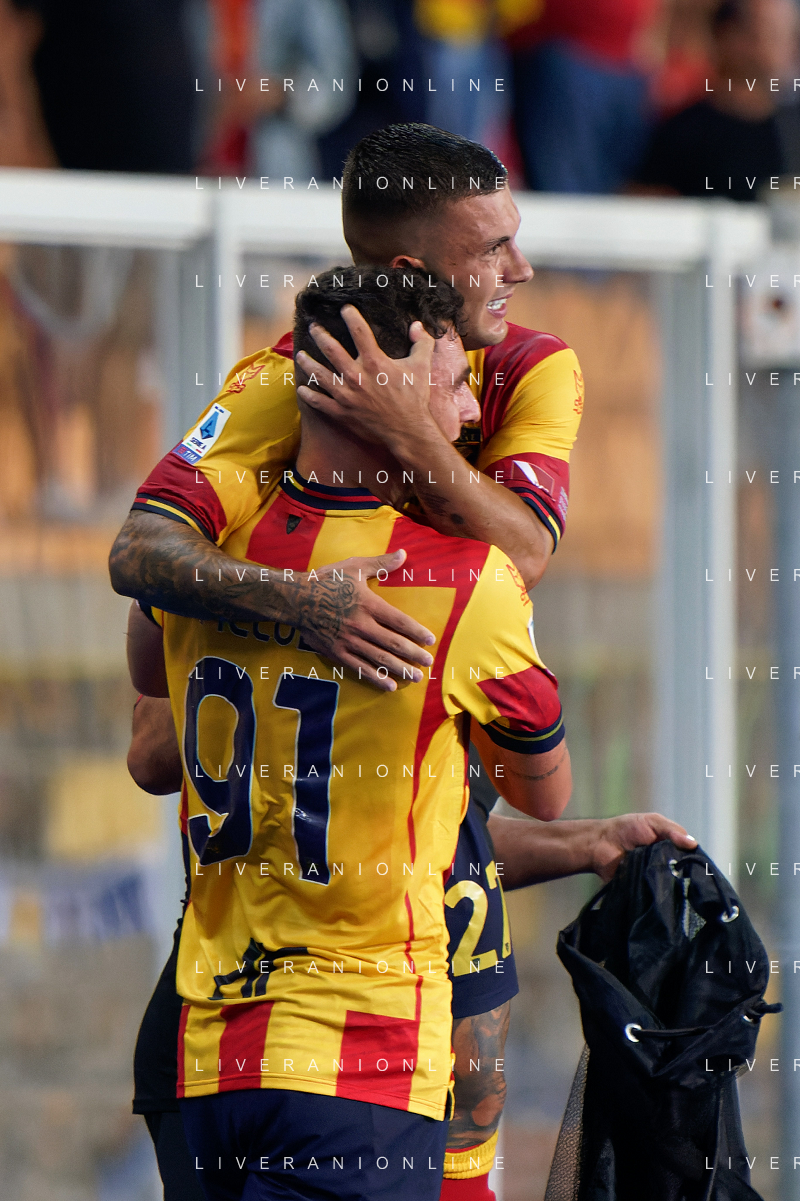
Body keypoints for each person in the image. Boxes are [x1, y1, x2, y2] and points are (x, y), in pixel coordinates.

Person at [135, 266, 576, 1200]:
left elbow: (148, 709)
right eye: (452, 383)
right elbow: (544, 789)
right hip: (363, 1063)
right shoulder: (468, 580)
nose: (469, 414)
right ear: (381, 385)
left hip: (210, 1057)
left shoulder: (204, 560)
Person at [634, 0, 800, 201]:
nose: (785, 48)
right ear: (726, 35)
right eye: (769, 34)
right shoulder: (686, 130)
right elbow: (643, 202)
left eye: (788, 36)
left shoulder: (790, 128)